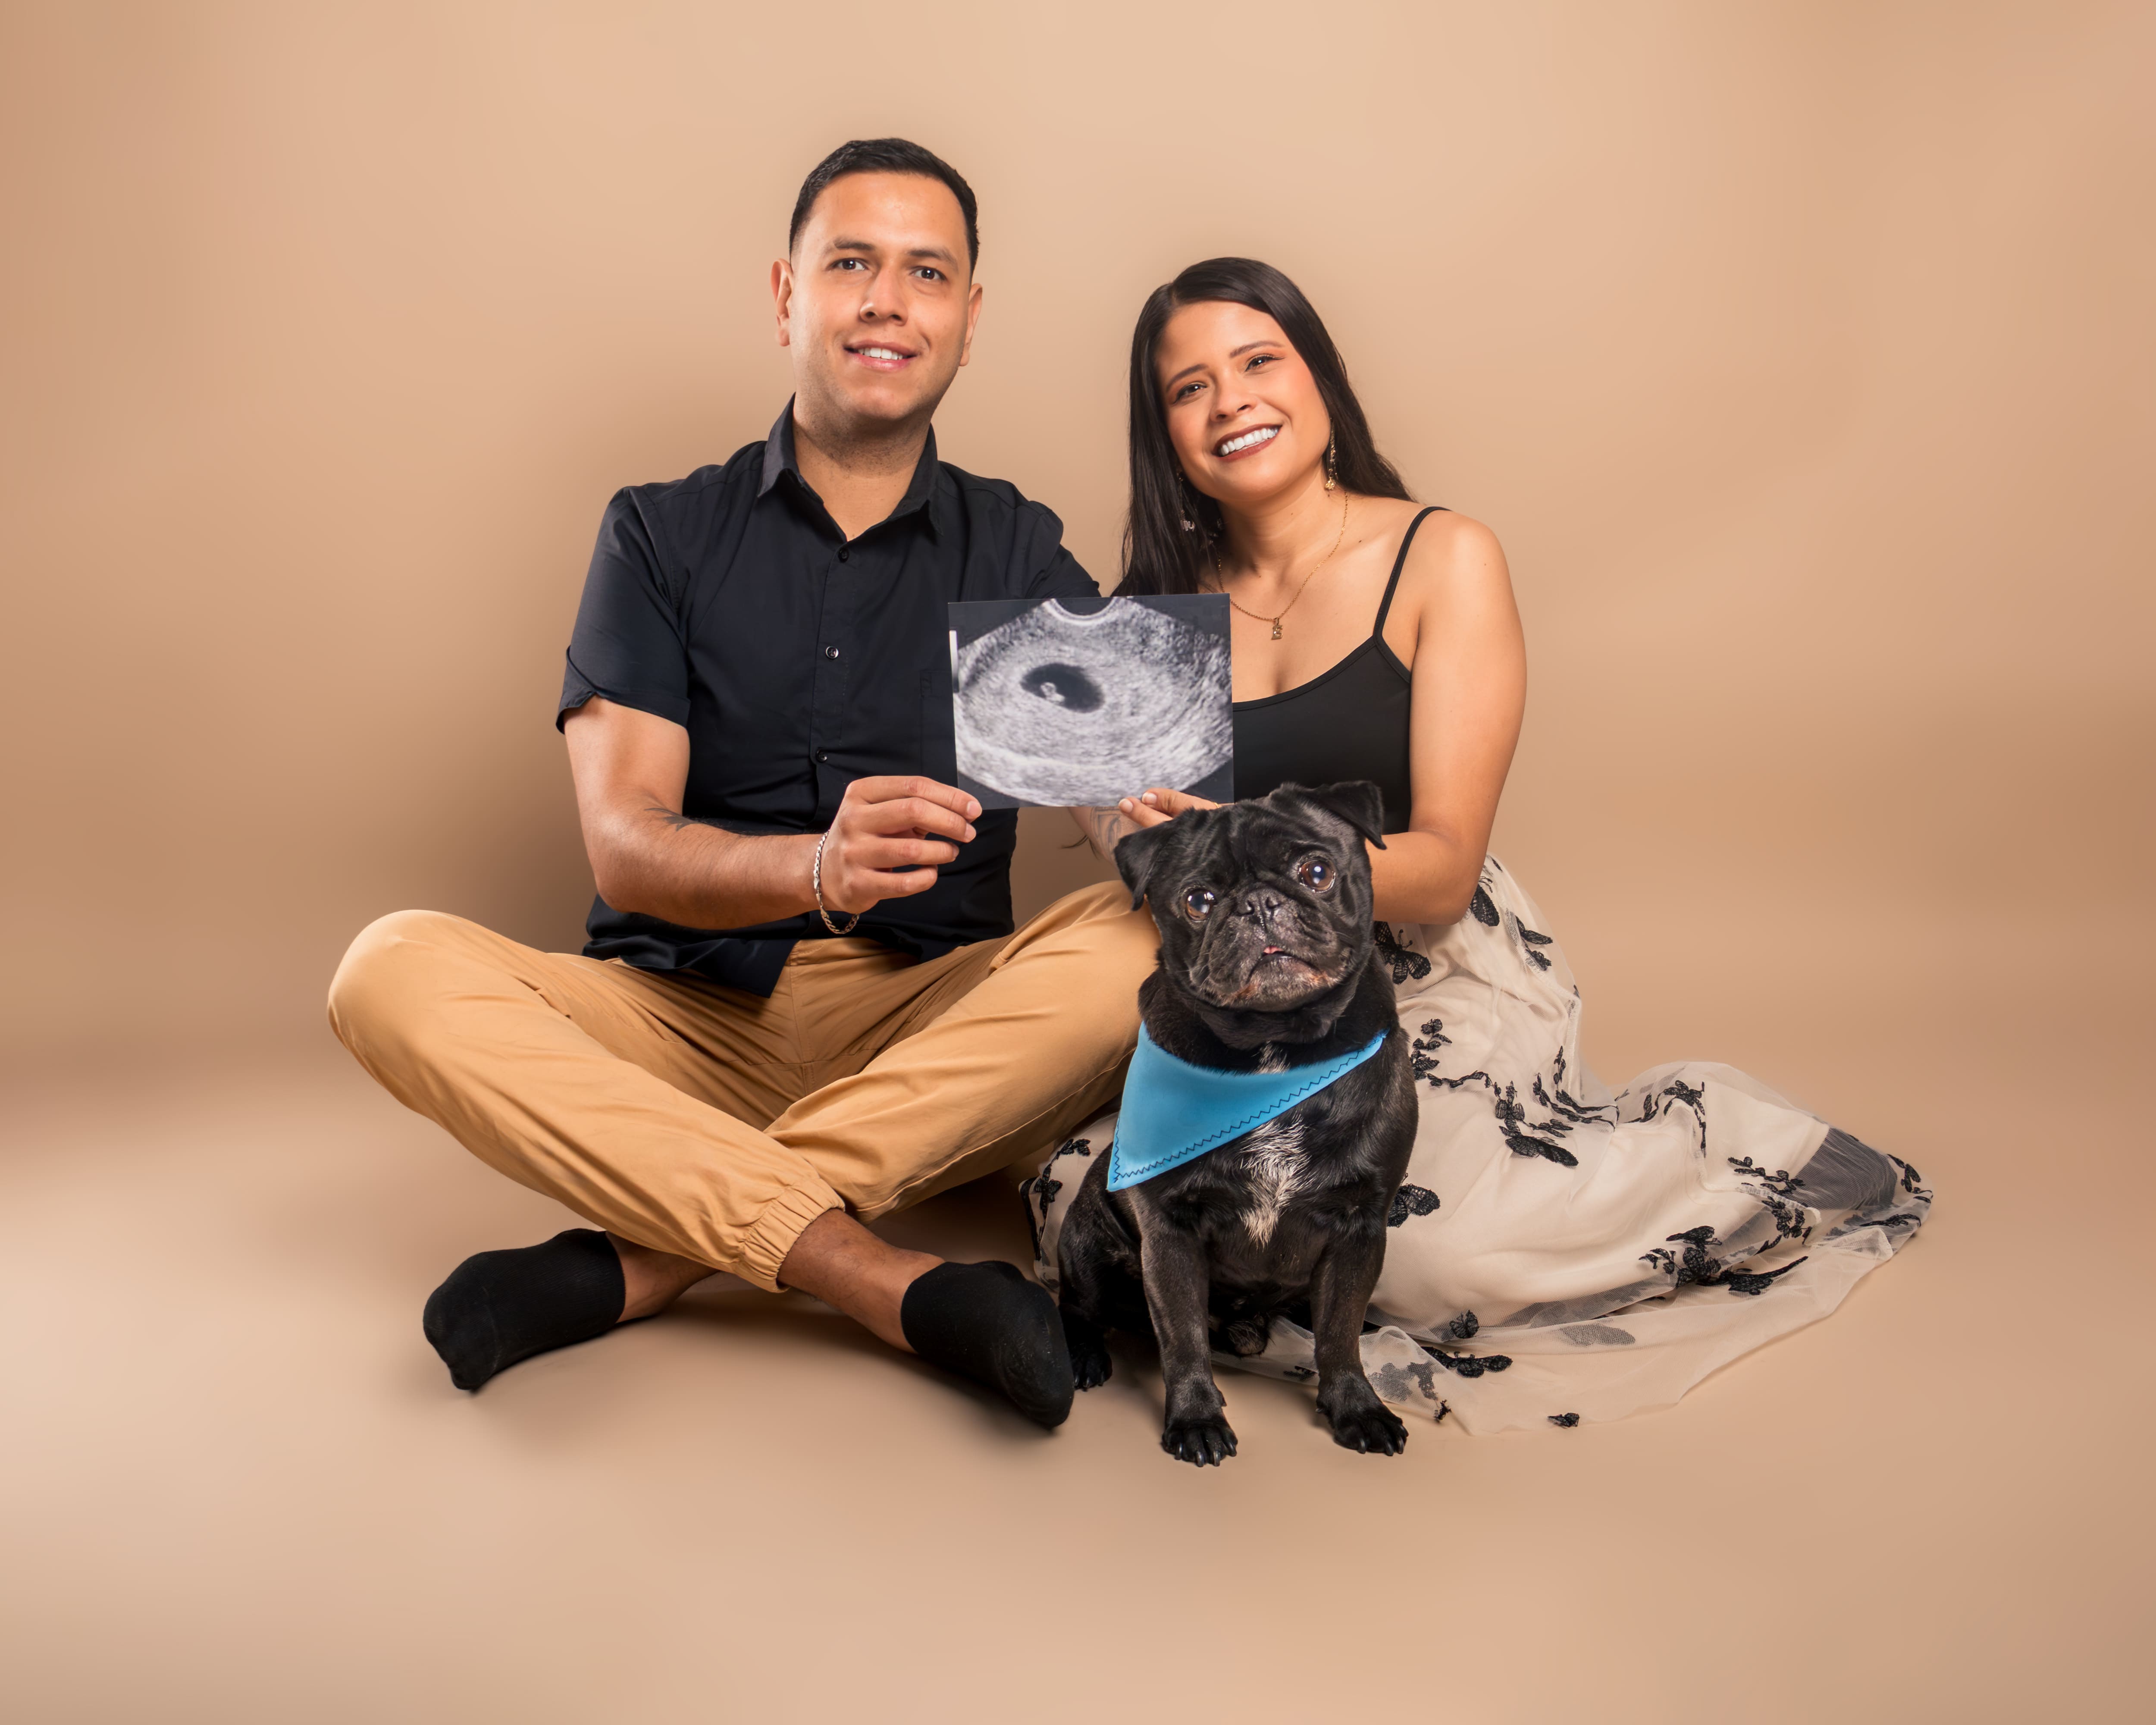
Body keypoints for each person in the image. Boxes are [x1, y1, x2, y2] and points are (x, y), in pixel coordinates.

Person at [327, 139, 1159, 1427]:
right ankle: (875, 1277)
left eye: (927, 273)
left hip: (930, 1032)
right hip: (677, 1025)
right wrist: (817, 868)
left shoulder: (1011, 543)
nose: (888, 302)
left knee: (1141, 941)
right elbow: (625, 845)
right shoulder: (660, 531)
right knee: (387, 968)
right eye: (852, 264)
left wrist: (1145, 814)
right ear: (787, 295)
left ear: (968, 319)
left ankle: (644, 1259)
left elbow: (1115, 796)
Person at [1037, 258, 1931, 1433]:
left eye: (1258, 361)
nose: (1231, 401)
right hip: (1230, 992)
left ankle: (1730, 1157)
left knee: (1434, 1253)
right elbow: (1116, 825)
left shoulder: (1443, 555)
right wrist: (1122, 821)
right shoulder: (1153, 606)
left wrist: (1268, 877)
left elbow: (1448, 864)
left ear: (1319, 376)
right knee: (1073, 1194)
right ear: (1164, 431)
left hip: (1421, 951)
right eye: (1188, 387)